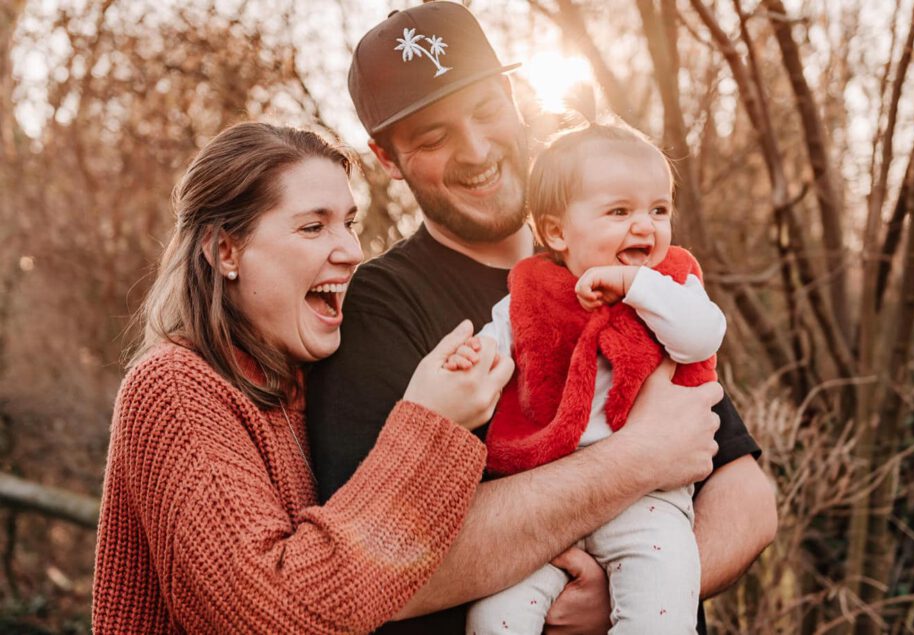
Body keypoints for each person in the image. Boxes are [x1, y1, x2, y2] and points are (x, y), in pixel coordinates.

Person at [306, 3, 777, 633]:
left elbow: (747, 500)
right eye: (433, 136)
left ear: (513, 95)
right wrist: (636, 459)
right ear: (387, 159)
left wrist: (626, 595)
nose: (475, 150)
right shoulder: (378, 309)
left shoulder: (621, 263)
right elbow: (373, 564)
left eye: (485, 110)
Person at [91, 122, 514, 633]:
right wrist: (429, 424)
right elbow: (271, 614)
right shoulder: (175, 386)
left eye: (349, 224)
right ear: (226, 251)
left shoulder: (311, 375)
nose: (352, 251)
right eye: (314, 228)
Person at [457, 122, 725, 634]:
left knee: (662, 607)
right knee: (494, 617)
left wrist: (636, 285)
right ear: (557, 231)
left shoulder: (671, 282)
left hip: (647, 503)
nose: (645, 227)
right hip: (542, 502)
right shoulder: (531, 293)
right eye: (620, 211)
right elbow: (500, 342)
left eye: (658, 209)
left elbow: (701, 335)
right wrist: (474, 358)